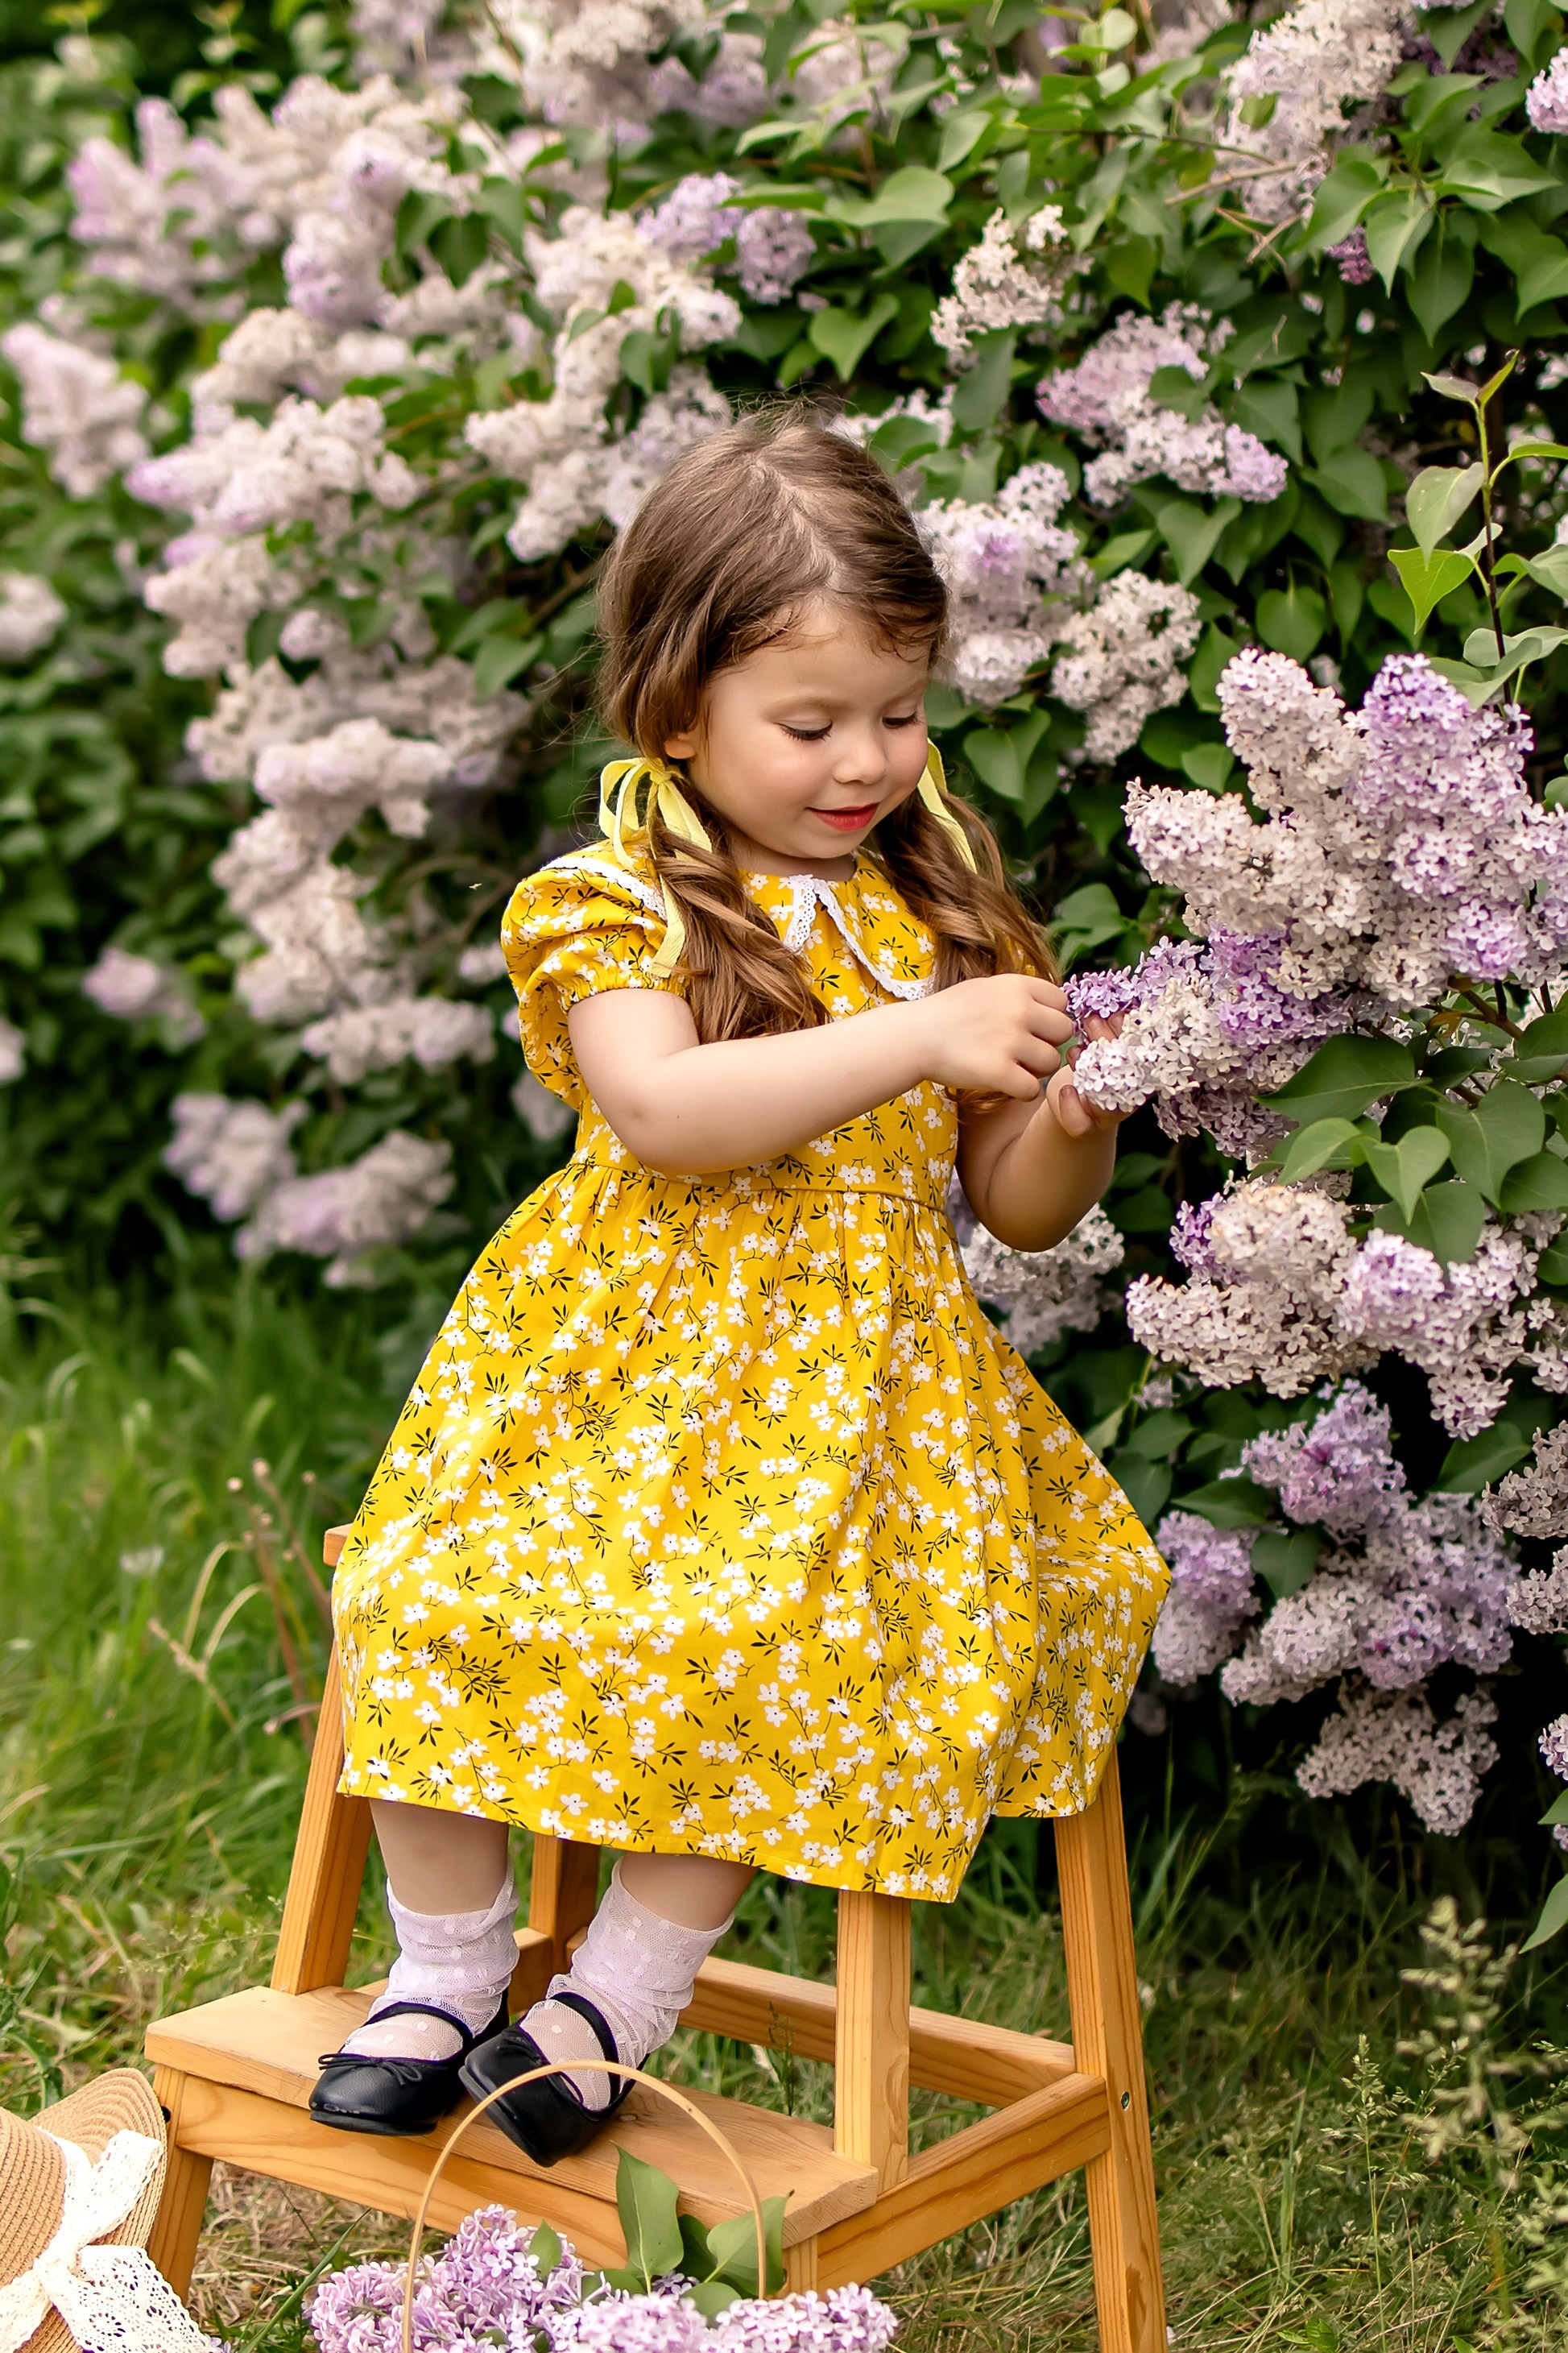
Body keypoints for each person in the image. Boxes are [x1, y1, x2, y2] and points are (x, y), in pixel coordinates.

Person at [310, 411, 1169, 2163]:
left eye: (899, 712)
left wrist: (1070, 1116)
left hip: (853, 1405)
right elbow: (666, 1110)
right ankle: (446, 1968)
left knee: (760, 1624)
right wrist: (916, 1035)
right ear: (677, 710)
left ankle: (616, 1995)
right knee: (422, 1589)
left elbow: (1014, 1211)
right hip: (608, 1371)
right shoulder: (618, 901)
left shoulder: (942, 913)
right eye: (811, 721)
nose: (866, 759)